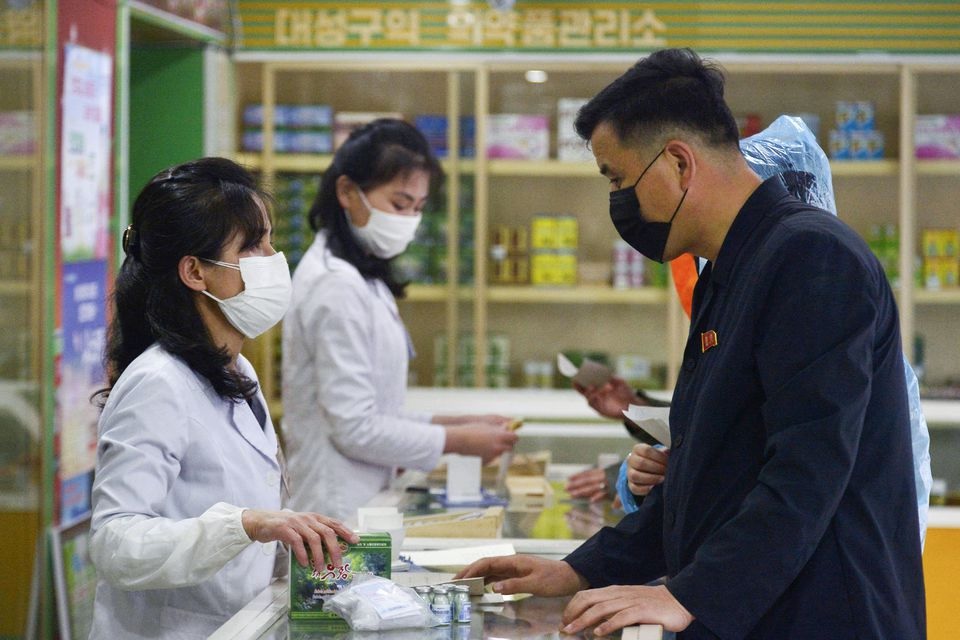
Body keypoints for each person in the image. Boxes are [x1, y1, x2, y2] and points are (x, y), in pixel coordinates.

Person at [457, 49, 925, 638]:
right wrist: (578, 569)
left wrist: (691, 595)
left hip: (824, 613)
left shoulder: (811, 258)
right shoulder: (729, 273)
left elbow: (807, 471)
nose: (618, 203)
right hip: (756, 612)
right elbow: (707, 469)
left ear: (679, 162)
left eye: (619, 179)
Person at [89, 158, 358, 639]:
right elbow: (115, 543)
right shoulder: (158, 383)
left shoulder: (236, 369)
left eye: (271, 240)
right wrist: (246, 525)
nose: (274, 259)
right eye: (253, 245)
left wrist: (290, 536)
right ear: (195, 271)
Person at [282, 119, 518, 521]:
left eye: (418, 208)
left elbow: (380, 411)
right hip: (334, 506)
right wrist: (458, 439)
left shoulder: (362, 277)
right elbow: (354, 427)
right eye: (399, 203)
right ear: (346, 192)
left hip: (365, 498)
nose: (409, 220)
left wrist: (460, 422)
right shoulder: (334, 286)